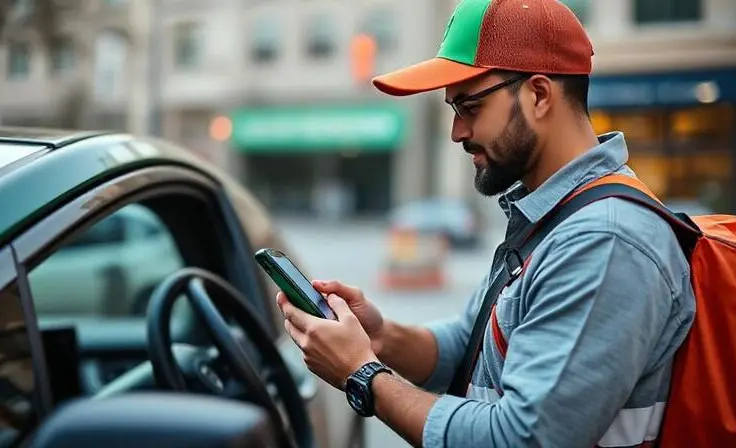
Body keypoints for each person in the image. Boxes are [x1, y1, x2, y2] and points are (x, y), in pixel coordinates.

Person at [276, 0, 696, 446]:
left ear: (538, 94)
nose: (457, 132)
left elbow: (521, 439)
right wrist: (379, 337)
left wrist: (363, 376)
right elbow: (470, 345)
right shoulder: (550, 213)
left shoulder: (604, 240)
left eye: (470, 107)